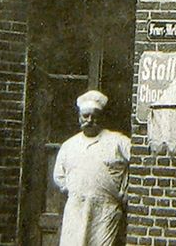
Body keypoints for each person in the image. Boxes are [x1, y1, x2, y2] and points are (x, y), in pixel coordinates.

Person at [53, 90, 131, 246]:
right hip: (77, 208)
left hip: (105, 209)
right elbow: (59, 176)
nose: (89, 120)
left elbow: (139, 160)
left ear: (101, 118)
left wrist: (124, 190)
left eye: (94, 116)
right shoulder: (69, 145)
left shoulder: (117, 141)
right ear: (79, 118)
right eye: (85, 116)